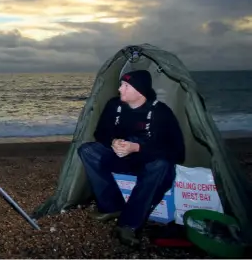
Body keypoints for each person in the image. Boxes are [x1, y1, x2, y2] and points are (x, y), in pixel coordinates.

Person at [77, 69, 185, 247]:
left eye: (126, 86)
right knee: (88, 150)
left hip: (148, 163)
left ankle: (128, 224)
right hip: (120, 157)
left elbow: (177, 151)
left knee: (162, 165)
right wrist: (113, 142)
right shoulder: (114, 106)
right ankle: (112, 206)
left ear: (139, 90)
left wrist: (137, 147)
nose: (120, 89)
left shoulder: (160, 112)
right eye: (121, 85)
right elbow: (100, 133)